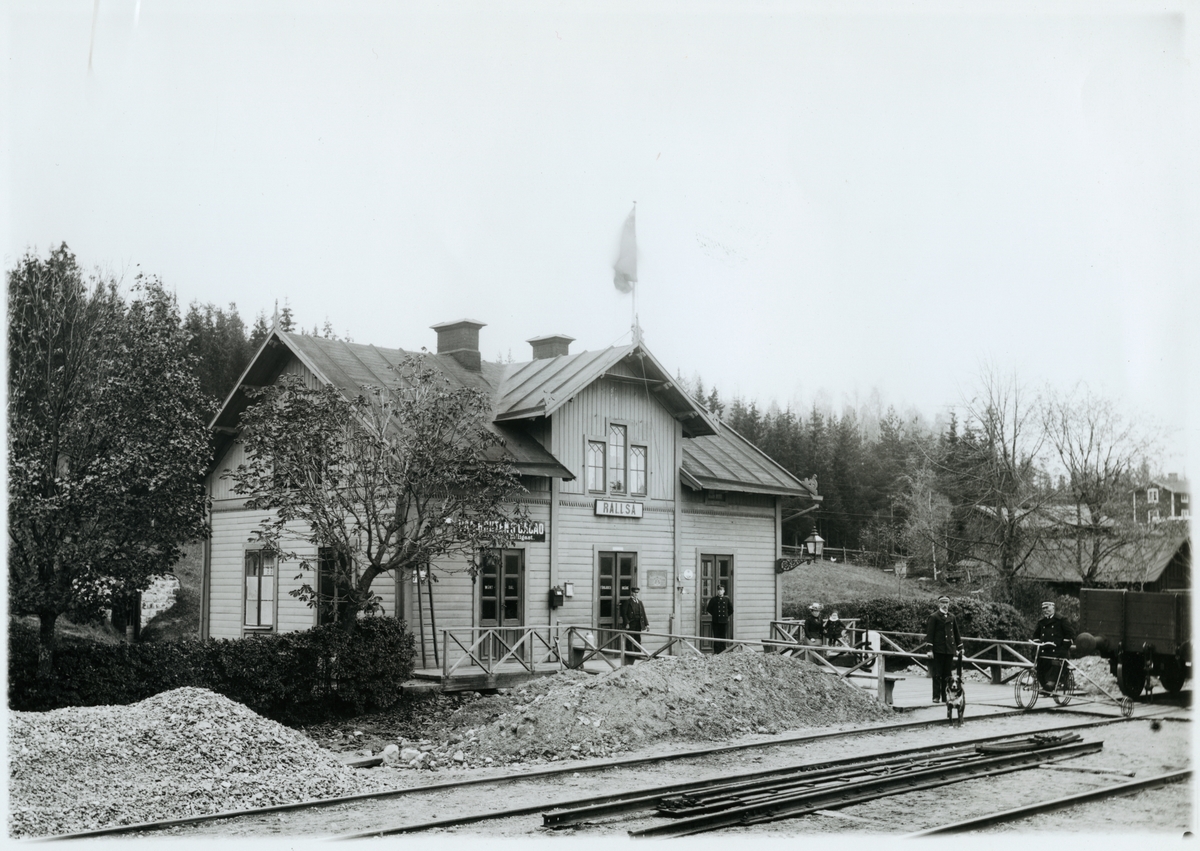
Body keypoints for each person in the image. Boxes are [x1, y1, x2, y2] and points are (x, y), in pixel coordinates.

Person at [924, 595, 963, 704]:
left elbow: (956, 633)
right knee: (937, 674)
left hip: (949, 650)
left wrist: (960, 647)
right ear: (939, 604)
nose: (945, 605)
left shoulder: (952, 617)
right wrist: (929, 649)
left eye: (947, 603)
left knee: (947, 675)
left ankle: (945, 696)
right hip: (938, 649)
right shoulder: (934, 617)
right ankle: (936, 696)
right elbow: (930, 634)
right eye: (943, 603)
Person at [1032, 600, 1075, 692]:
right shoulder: (1041, 622)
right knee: (1040, 666)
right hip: (1044, 650)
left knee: (1055, 664)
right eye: (1043, 608)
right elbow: (1036, 635)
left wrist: (1063, 647)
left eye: (1047, 608)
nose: (1045, 610)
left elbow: (1070, 634)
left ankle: (1050, 685)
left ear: (1053, 607)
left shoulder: (1061, 620)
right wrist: (1037, 645)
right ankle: (1045, 686)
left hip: (1057, 651)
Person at [619, 586, 650, 653]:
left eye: (637, 592)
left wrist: (647, 624)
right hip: (631, 623)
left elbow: (643, 614)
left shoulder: (640, 602)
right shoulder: (628, 602)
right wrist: (627, 623)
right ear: (631, 593)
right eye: (634, 592)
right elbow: (624, 613)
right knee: (630, 639)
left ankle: (638, 654)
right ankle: (630, 654)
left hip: (638, 623)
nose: (636, 594)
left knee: (638, 638)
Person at [705, 585, 734, 654]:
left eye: (721, 590)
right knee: (716, 636)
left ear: (724, 591)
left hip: (724, 621)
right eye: (719, 590)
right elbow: (709, 609)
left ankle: (723, 651)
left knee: (723, 636)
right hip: (716, 621)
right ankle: (717, 651)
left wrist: (726, 616)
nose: (720, 591)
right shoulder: (713, 599)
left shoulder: (727, 600)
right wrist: (715, 615)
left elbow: (731, 610)